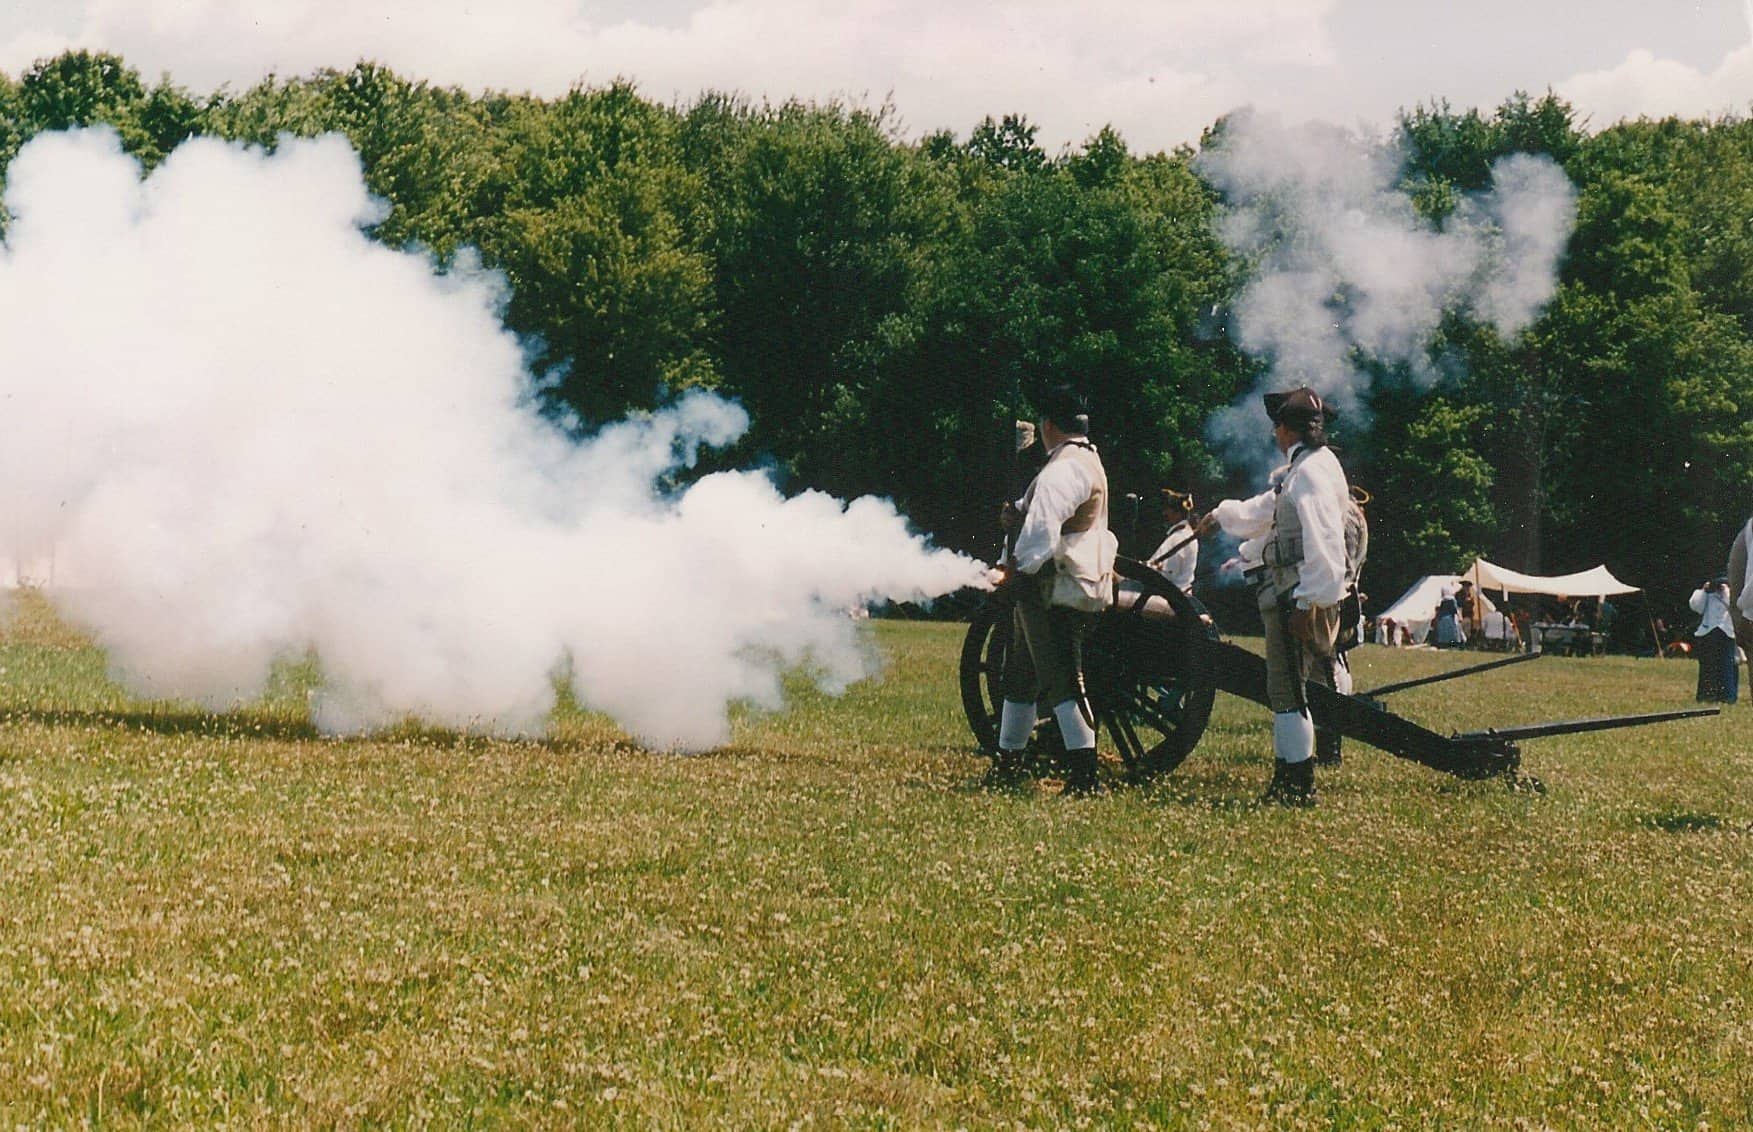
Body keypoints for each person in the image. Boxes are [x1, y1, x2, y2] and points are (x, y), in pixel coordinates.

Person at [1197, 386, 1352, 805]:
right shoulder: (1309, 466)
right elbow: (1267, 508)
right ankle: (1290, 779)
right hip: (1295, 591)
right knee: (1288, 690)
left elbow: (1325, 542)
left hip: (1294, 594)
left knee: (1288, 691)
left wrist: (1307, 603)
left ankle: (1296, 786)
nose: (1274, 434)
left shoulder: (1310, 473)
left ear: (1286, 429)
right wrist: (1221, 515)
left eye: (1277, 426)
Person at [993, 386, 1118, 794]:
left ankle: (1085, 777)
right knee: (1020, 678)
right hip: (1059, 583)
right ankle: (1008, 763)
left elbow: (1040, 532)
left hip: (1050, 587)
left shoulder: (1062, 470)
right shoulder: (1086, 461)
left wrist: (1016, 571)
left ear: (1048, 426)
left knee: (1062, 679)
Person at [1688, 575, 1738, 703]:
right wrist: (1706, 590)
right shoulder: (1702, 592)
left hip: (1727, 631)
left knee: (1727, 665)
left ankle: (1727, 696)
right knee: (1708, 665)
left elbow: (1735, 607)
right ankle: (1706, 695)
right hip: (1708, 631)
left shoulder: (1732, 592)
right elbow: (1696, 607)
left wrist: (1726, 590)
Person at [1147, 488, 1199, 593]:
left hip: (1173, 596)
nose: (1164, 513)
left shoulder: (1179, 537)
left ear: (1178, 513)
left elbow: (1166, 573)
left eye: (1167, 509)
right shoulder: (1183, 534)